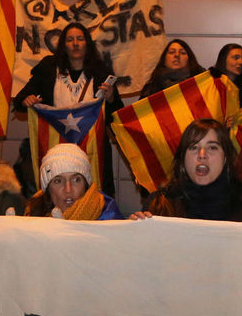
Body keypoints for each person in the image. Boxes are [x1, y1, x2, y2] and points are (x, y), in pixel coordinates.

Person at [13, 22, 122, 197]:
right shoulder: (48, 68)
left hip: (92, 150)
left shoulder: (101, 71)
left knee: (93, 197)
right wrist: (28, 100)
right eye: (70, 40)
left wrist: (110, 99)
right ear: (63, 45)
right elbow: (19, 101)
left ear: (87, 43)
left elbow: (116, 117)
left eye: (80, 39)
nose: (76, 43)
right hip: (56, 149)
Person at [139, 119, 237, 220]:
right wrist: (133, 229)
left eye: (212, 147)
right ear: (183, 158)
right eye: (194, 147)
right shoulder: (159, 205)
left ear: (225, 157)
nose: (202, 155)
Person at [25, 143, 123, 220]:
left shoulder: (108, 217)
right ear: (47, 190)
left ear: (86, 185)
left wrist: (134, 230)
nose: (68, 189)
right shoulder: (33, 218)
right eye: (58, 181)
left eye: (76, 180)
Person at [139, 38, 205, 99]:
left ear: (189, 59)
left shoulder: (200, 81)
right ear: (164, 59)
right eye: (171, 52)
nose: (177, 55)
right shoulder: (151, 86)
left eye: (182, 53)